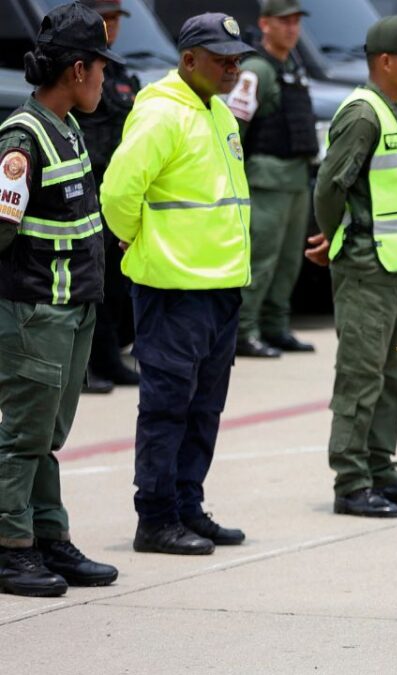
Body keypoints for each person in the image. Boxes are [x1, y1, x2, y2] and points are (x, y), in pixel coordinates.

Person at [102, 13, 256, 555]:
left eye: (237, 60)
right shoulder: (163, 113)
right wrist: (137, 241)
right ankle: (157, 517)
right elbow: (118, 194)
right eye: (221, 60)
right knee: (168, 406)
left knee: (203, 408)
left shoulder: (217, 114)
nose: (232, 70)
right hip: (173, 289)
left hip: (218, 289)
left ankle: (187, 506)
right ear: (188, 59)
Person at [0, 1, 121, 597]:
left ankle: (47, 536)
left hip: (72, 309)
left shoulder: (67, 127)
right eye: (101, 66)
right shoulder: (21, 138)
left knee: (47, 435)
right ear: (77, 70)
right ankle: (9, 546)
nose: (107, 77)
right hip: (35, 312)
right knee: (23, 436)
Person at [305, 16, 397, 518]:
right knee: (360, 375)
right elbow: (329, 187)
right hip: (368, 267)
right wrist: (338, 237)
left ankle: (381, 469)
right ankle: (351, 479)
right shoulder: (363, 114)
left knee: (387, 375)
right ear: (386, 62)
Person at [227, 0, 318, 359]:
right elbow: (236, 128)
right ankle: (244, 330)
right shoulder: (255, 71)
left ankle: (275, 326)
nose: (292, 28)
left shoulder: (293, 64)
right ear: (265, 24)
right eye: (284, 22)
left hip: (295, 178)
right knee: (261, 258)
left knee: (288, 261)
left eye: (296, 21)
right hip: (266, 178)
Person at [74, 0, 141, 393]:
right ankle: (89, 365)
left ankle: (111, 357)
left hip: (117, 188)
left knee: (115, 281)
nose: (112, 26)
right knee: (91, 281)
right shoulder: (75, 71)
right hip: (85, 186)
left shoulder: (120, 72)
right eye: (106, 19)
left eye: (116, 19)